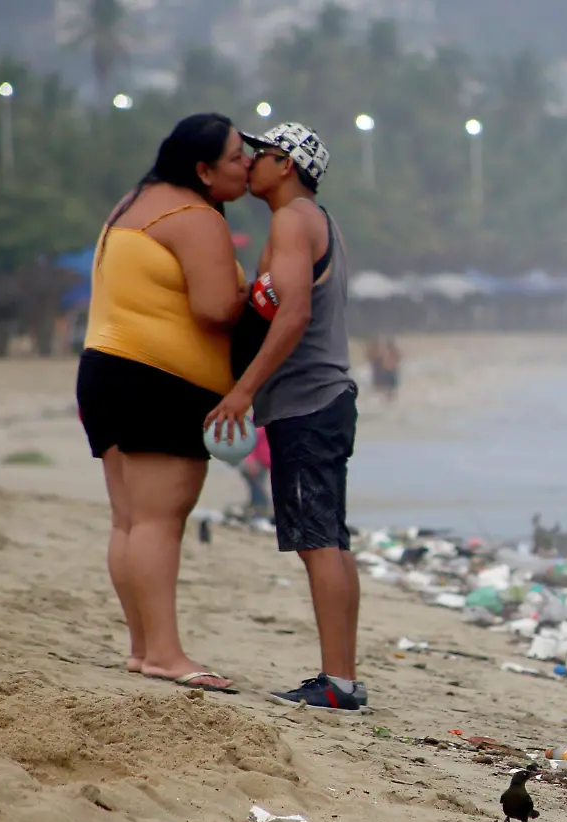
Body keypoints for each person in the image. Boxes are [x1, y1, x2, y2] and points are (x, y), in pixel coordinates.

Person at [76, 113, 252, 693]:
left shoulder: (133, 203)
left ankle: (142, 646)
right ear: (202, 170)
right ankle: (166, 654)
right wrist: (255, 293)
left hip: (105, 369)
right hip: (158, 378)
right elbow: (215, 308)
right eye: (235, 157)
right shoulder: (195, 217)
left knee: (129, 519)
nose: (247, 163)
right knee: (159, 520)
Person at [205, 122, 365, 710]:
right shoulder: (314, 223)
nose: (249, 163)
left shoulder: (294, 219)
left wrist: (244, 392)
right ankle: (343, 675)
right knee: (332, 541)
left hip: (308, 400)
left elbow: (293, 314)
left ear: (288, 165)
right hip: (326, 399)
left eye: (262, 154)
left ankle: (338, 682)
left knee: (317, 541)